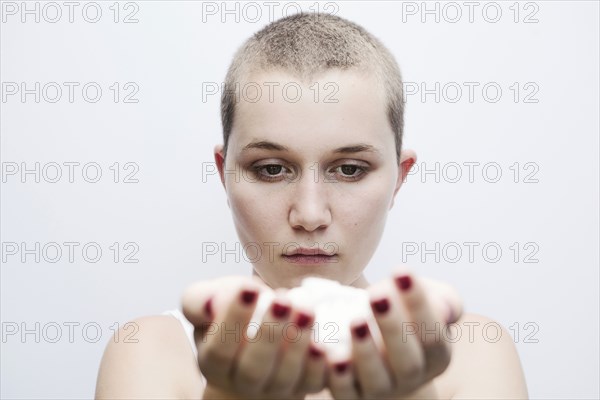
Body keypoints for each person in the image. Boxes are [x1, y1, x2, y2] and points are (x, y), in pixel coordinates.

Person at [95, 12, 528, 399]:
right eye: (270, 169)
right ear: (224, 173)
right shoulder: (150, 351)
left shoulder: (473, 350)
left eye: (350, 170)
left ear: (400, 177)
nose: (310, 215)